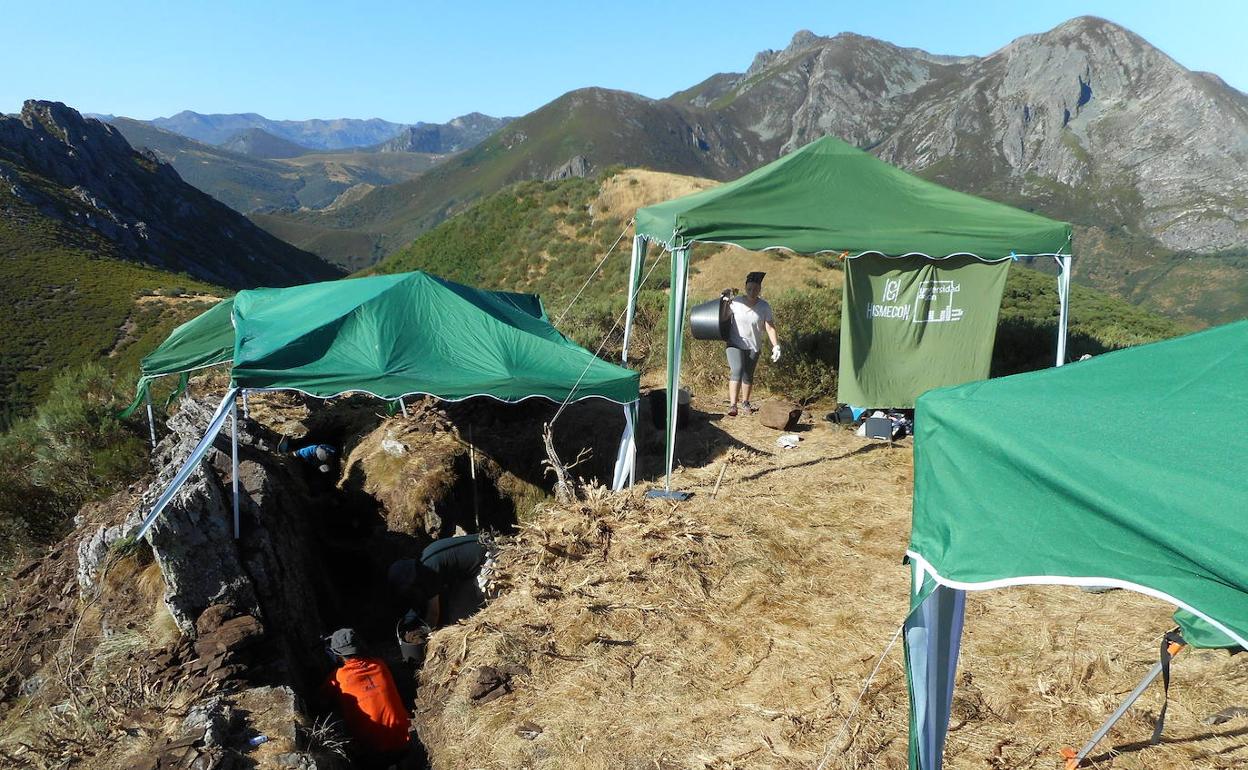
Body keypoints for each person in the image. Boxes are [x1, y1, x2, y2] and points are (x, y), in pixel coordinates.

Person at [323, 628, 411, 769]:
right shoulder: (380, 665)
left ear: (338, 654)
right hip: (403, 742)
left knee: (335, 718)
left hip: (373, 753)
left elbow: (321, 700)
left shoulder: (338, 677)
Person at [387, 534, 494, 628]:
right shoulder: (424, 559)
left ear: (409, 580)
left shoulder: (429, 571)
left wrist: (424, 633)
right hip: (482, 543)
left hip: (487, 558)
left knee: (460, 615)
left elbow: (433, 613)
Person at [724, 271, 780, 416]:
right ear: (745, 288)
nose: (752, 292)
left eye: (755, 289)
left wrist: (776, 345)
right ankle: (732, 405)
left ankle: (746, 402)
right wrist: (723, 299)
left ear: (759, 289)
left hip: (753, 346)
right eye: (749, 288)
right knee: (737, 369)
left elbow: (769, 326)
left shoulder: (764, 306)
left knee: (748, 374)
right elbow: (720, 315)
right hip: (734, 343)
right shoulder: (735, 302)